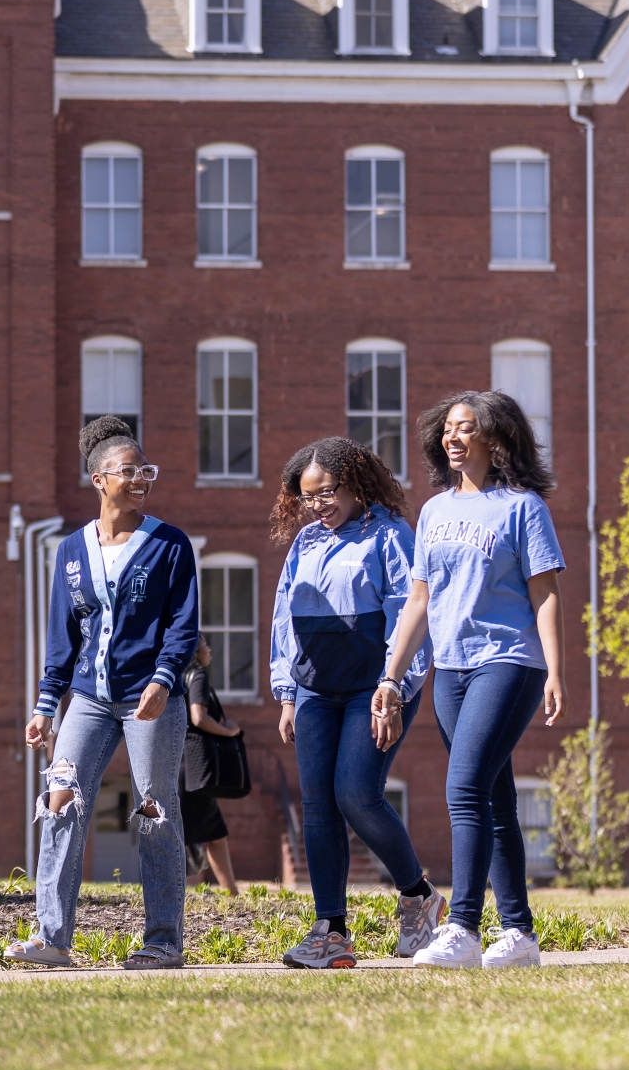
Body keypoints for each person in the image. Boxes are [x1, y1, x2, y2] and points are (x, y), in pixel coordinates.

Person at [382, 391, 566, 970]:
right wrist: (390, 674)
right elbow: (418, 602)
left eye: (466, 428)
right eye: (447, 430)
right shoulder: (433, 512)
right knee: (495, 798)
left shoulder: (522, 508)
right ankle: (521, 935)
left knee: (463, 788)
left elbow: (545, 594)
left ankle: (462, 926)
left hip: (509, 662)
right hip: (452, 669)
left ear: (496, 438)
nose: (452, 438)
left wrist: (556, 670)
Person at [11, 415, 201, 969]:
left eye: (147, 470)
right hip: (88, 698)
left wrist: (165, 679)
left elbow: (183, 625)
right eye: (129, 471)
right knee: (60, 799)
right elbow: (62, 635)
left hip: (151, 695)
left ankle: (163, 942)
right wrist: (46, 706)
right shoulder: (70, 551)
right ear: (99, 480)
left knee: (155, 810)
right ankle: (53, 937)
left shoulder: (170, 545)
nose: (141, 478)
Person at [269, 437, 447, 969]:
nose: (319, 504)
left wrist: (398, 687)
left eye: (327, 492)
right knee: (318, 806)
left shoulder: (390, 535)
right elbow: (284, 618)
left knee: (355, 792)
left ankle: (419, 896)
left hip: (374, 690)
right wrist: (285, 693)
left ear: (353, 483)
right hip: (314, 689)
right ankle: (332, 932)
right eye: (308, 497)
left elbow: (412, 614)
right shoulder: (304, 543)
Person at [182, 640, 241, 895]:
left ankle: (184, 893)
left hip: (176, 760)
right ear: (195, 651)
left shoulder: (174, 675)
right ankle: (231, 893)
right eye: (206, 644)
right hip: (196, 764)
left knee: (187, 830)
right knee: (213, 832)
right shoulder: (198, 675)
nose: (210, 649)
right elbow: (198, 717)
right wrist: (228, 732)